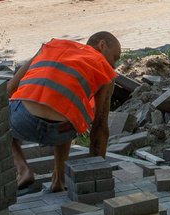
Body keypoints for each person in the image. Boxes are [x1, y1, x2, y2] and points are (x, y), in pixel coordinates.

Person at [7, 32, 121, 193]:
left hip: (24, 121)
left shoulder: (51, 46)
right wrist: (97, 176)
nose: (114, 65)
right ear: (102, 45)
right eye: (115, 58)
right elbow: (100, 127)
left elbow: (10, 88)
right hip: (61, 131)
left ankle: (23, 169)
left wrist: (11, 124)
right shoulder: (105, 71)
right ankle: (59, 180)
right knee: (68, 111)